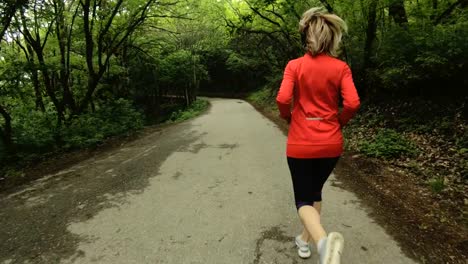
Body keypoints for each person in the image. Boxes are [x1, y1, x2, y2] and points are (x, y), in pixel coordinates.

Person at [276, 7, 360, 264]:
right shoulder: (341, 67)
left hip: (301, 143)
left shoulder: (294, 66)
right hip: (331, 143)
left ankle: (323, 244)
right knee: (315, 193)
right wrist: (339, 122)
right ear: (332, 38)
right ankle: (304, 242)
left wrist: (288, 117)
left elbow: (282, 99)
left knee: (303, 200)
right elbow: (353, 103)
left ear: (305, 37)